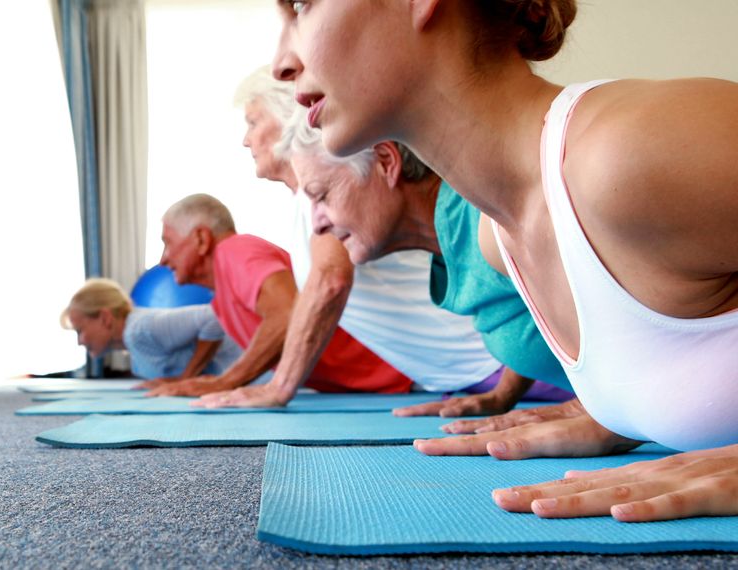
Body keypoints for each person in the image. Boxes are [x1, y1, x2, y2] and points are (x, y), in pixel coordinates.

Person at [271, 0, 738, 522]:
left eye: (303, 6)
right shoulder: (498, 236)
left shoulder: (625, 154)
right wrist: (632, 415)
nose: (280, 63)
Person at [205, 105, 574, 417]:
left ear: (386, 161)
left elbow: (615, 319)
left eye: (321, 195)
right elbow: (534, 313)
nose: (316, 222)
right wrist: (502, 397)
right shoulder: (455, 248)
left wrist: (597, 417)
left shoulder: (486, 221)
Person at [148, 193, 412, 397]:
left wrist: (225, 382)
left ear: (202, 239)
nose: (163, 260)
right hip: (389, 386)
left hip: (407, 372)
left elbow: (287, 314)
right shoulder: (220, 299)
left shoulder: (235, 249)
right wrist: (189, 378)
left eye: (167, 243)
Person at [61, 278, 242, 382]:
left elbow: (212, 317)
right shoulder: (135, 349)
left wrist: (185, 379)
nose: (80, 341)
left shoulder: (140, 328)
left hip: (258, 379)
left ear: (105, 318)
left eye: (80, 331)